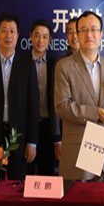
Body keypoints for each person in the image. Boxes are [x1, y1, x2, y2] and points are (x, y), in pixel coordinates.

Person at [54, 11, 104, 181]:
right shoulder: (64, 66)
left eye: (93, 29)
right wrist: (94, 113)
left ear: (101, 34)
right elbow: (61, 107)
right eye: (83, 30)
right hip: (78, 153)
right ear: (77, 35)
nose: (89, 34)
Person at [0, 13, 39, 180]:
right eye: (4, 30)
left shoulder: (27, 65)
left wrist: (32, 142)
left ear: (17, 35)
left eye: (12, 31)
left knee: (18, 185)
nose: (8, 35)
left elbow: (33, 105)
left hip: (18, 136)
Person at [27, 19, 61, 175]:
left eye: (45, 36)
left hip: (49, 127)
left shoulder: (56, 64)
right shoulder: (22, 63)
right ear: (31, 37)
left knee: (47, 174)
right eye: (37, 35)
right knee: (26, 175)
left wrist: (57, 138)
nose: (40, 40)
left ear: (50, 40)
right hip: (27, 127)